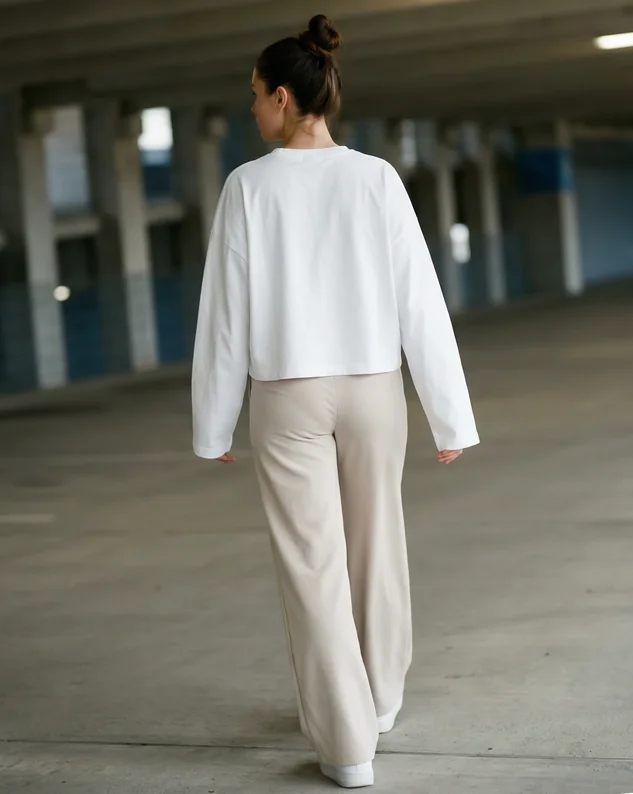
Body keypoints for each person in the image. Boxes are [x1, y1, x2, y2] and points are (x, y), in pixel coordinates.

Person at [192, 14, 479, 789]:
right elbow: (420, 301)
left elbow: (225, 315)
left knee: (312, 568)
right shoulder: (376, 178)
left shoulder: (248, 186)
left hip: (288, 396)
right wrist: (448, 415)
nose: (252, 110)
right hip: (374, 391)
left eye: (255, 96)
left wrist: (213, 421)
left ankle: (348, 745)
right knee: (376, 546)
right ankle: (379, 700)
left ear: (284, 98)